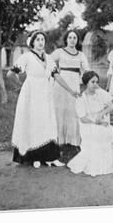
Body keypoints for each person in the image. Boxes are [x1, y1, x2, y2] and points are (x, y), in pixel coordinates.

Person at [7, 31, 80, 168]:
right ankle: (34, 157)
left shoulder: (48, 58)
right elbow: (10, 74)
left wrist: (71, 91)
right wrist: (22, 86)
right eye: (38, 39)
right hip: (31, 95)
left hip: (45, 95)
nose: (41, 42)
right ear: (33, 42)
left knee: (47, 123)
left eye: (43, 39)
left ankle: (49, 157)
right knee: (33, 123)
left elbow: (57, 77)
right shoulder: (26, 57)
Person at [67, 71, 113, 176]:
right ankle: (94, 165)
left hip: (101, 121)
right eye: (92, 82)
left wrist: (101, 114)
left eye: (97, 82)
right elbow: (83, 118)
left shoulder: (101, 93)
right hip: (88, 124)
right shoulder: (81, 98)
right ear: (86, 83)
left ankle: (105, 165)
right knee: (96, 132)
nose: (95, 84)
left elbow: (111, 106)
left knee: (107, 131)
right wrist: (96, 121)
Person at [51, 30, 90, 149]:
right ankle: (58, 140)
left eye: (74, 38)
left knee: (73, 111)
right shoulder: (59, 52)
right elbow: (48, 63)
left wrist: (86, 81)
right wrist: (55, 72)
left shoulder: (81, 55)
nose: (72, 40)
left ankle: (72, 141)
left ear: (77, 40)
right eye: (70, 37)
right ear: (66, 39)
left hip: (74, 84)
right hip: (60, 84)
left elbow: (87, 70)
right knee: (60, 111)